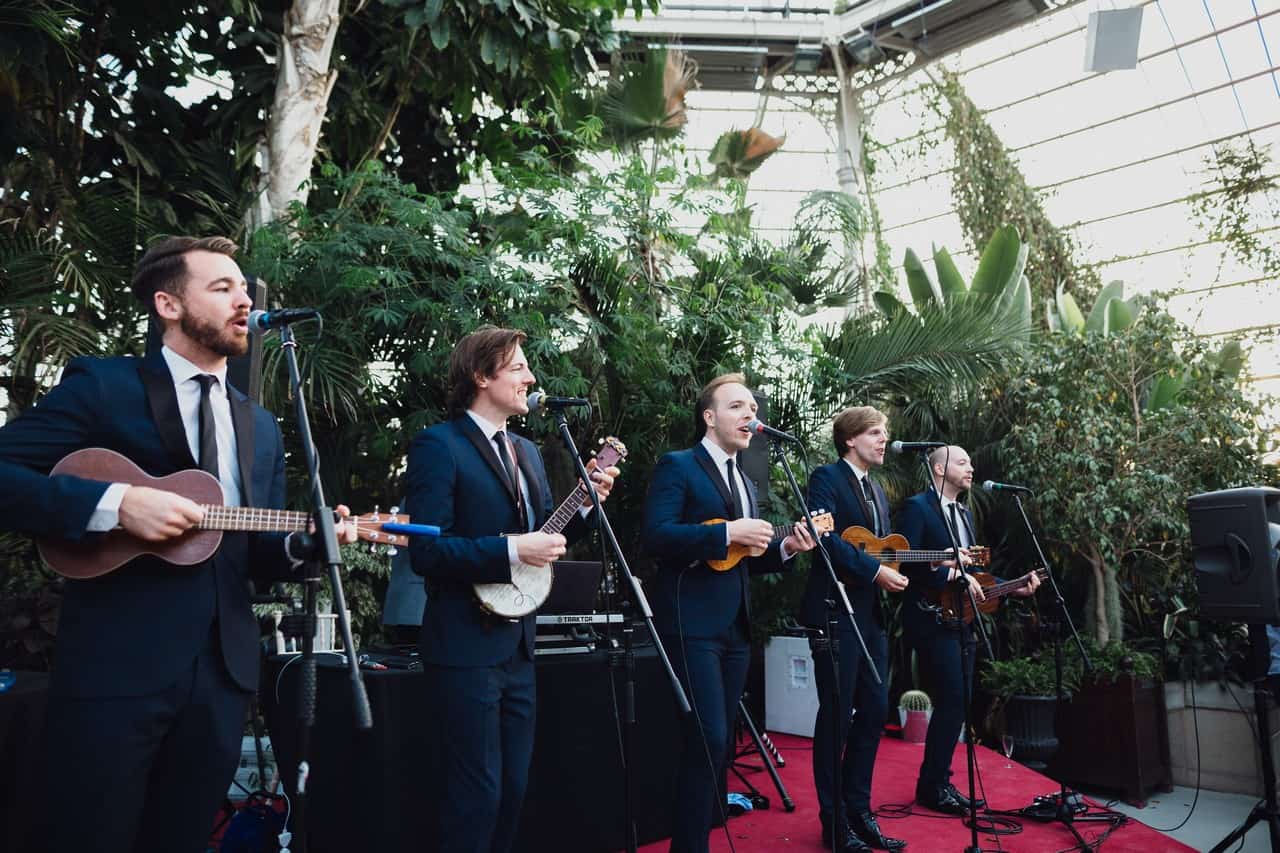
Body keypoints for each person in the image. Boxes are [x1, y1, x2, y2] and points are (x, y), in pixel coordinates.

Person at [0, 235, 358, 853]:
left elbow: (254, 557)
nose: (243, 299)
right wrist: (116, 504)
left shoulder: (262, 426)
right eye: (222, 288)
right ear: (168, 304)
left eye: (244, 288)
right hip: (118, 668)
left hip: (221, 675)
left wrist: (307, 542)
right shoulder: (104, 387)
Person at [404, 326, 618, 853]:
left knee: (514, 789)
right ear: (482, 376)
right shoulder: (439, 445)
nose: (531, 377)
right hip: (464, 644)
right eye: (518, 366)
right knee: (476, 792)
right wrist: (508, 550)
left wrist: (586, 505)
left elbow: (544, 539)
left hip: (519, 644)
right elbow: (426, 551)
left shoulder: (527, 450)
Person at [643, 372, 817, 853]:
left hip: (735, 628)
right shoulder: (678, 466)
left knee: (715, 747)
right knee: (706, 738)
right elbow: (656, 537)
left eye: (752, 409)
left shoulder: (744, 478)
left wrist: (785, 546)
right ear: (709, 416)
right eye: (737, 407)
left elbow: (744, 558)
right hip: (690, 622)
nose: (750, 416)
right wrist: (725, 533)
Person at [896, 445, 1040, 814]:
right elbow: (903, 563)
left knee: (957, 703)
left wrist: (1011, 586)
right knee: (952, 701)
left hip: (961, 618)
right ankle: (933, 786)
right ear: (939, 469)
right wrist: (949, 573)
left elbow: (973, 574)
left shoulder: (964, 513)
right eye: (963, 462)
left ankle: (938, 782)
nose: (971, 468)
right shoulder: (917, 508)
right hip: (930, 618)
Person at [800, 406, 907, 852]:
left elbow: (881, 549)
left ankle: (859, 810)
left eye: (885, 433)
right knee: (838, 715)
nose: (884, 440)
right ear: (850, 440)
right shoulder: (826, 478)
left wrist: (899, 569)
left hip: (869, 617)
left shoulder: (878, 491)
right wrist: (874, 572)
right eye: (875, 432)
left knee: (876, 708)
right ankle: (834, 822)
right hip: (832, 612)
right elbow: (824, 539)